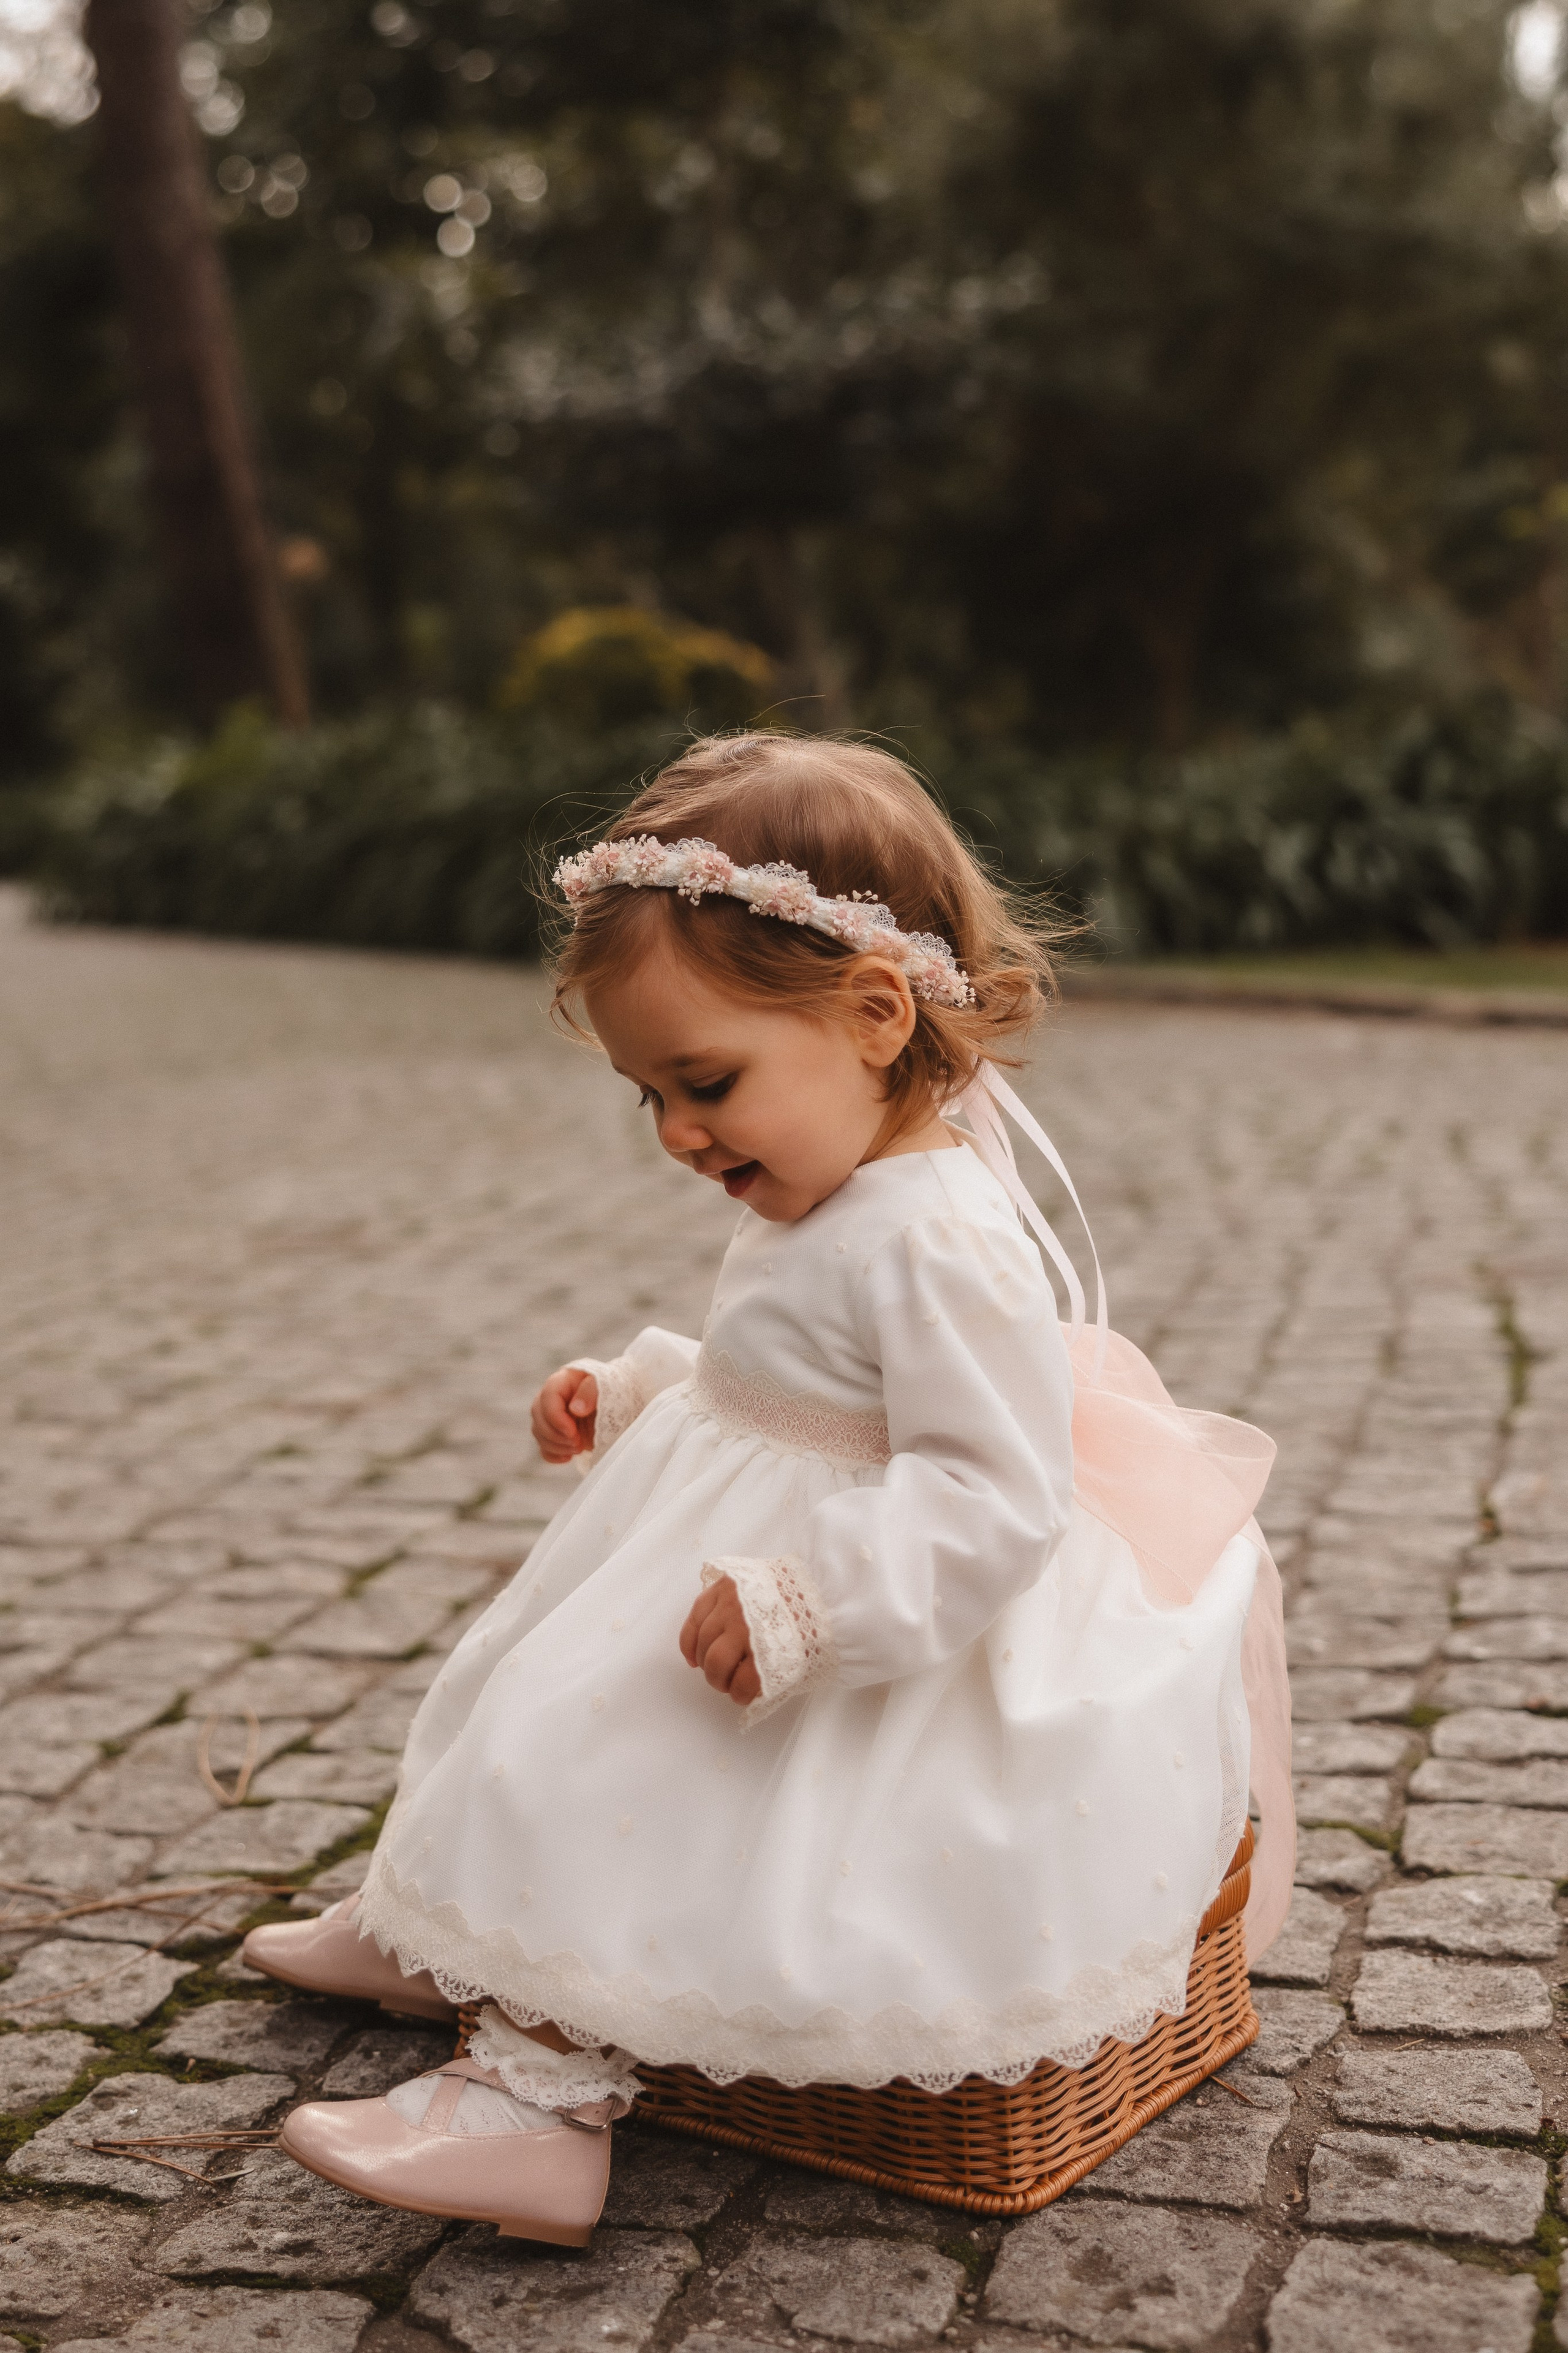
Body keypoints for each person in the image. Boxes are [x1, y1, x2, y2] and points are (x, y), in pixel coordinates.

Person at [245, 731, 1293, 2244]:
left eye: (704, 1081)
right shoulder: (831, 1177)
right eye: (646, 1095)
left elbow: (990, 1489)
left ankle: (535, 2107)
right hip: (734, 1541)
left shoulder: (938, 1234)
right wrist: (638, 1387)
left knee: (622, 1757)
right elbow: (782, 1375)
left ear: (873, 1013)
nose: (676, 1132)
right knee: (517, 1685)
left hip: (863, 1614)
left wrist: (819, 1601)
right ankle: (444, 1931)